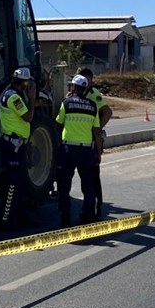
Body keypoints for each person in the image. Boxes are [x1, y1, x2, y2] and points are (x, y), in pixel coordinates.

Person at [55, 75, 102, 227]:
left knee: (64, 186)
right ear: (85, 88)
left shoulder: (67, 103)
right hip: (86, 151)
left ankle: (65, 219)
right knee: (88, 186)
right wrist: (98, 153)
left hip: (68, 150)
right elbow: (97, 133)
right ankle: (86, 218)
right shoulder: (92, 106)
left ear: (73, 87)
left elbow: (59, 122)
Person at [0, 68, 37, 230]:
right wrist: (33, 100)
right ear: (24, 82)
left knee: (20, 183)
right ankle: (7, 221)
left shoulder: (12, 94)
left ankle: (21, 217)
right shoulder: (14, 97)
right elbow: (27, 117)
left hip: (17, 144)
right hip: (12, 145)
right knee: (13, 184)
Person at [78, 67, 113, 220]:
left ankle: (96, 208)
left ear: (91, 81)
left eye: (87, 80)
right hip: (81, 142)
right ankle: (89, 207)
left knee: (93, 177)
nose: (85, 82)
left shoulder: (93, 94)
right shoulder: (78, 94)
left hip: (92, 141)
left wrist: (97, 129)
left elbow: (107, 112)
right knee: (85, 178)